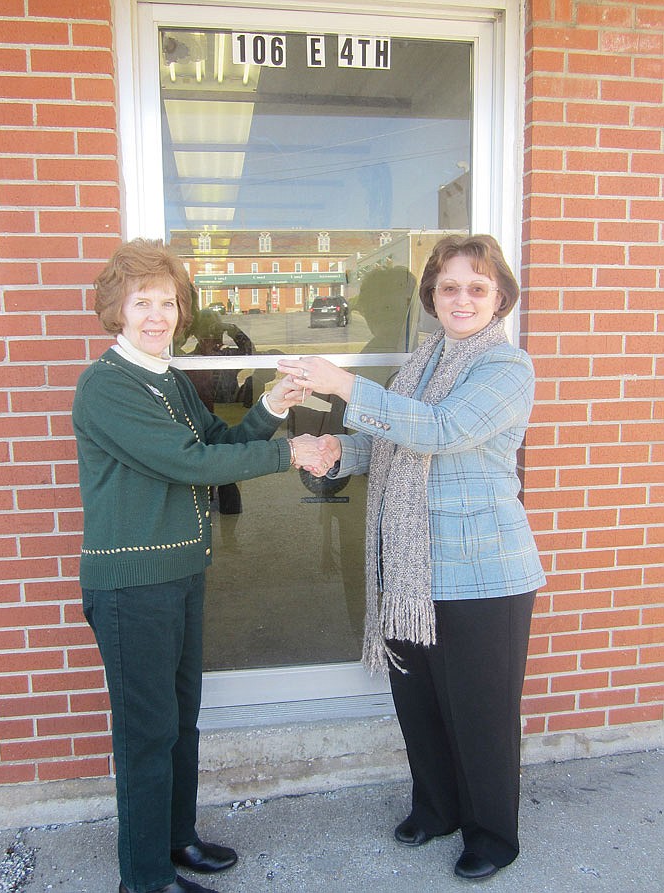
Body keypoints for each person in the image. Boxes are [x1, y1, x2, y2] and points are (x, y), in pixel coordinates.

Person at [278, 234, 546, 881]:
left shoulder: (506, 368)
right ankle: (437, 805)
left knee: (479, 711)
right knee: (418, 699)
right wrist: (337, 448)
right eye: (449, 286)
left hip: (482, 569)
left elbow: (441, 432)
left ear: (500, 296)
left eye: (476, 287)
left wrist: (343, 383)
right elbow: (394, 439)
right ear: (432, 295)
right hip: (408, 565)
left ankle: (491, 834)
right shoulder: (424, 358)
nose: (461, 298)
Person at [72, 238, 327, 893]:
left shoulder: (170, 379)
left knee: (180, 719)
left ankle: (176, 837)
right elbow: (189, 464)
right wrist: (291, 452)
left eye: (168, 301)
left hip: (179, 575)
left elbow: (219, 442)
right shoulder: (106, 386)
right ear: (115, 307)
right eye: (141, 301)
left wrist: (272, 405)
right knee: (147, 734)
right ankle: (145, 877)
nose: (156, 314)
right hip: (133, 587)